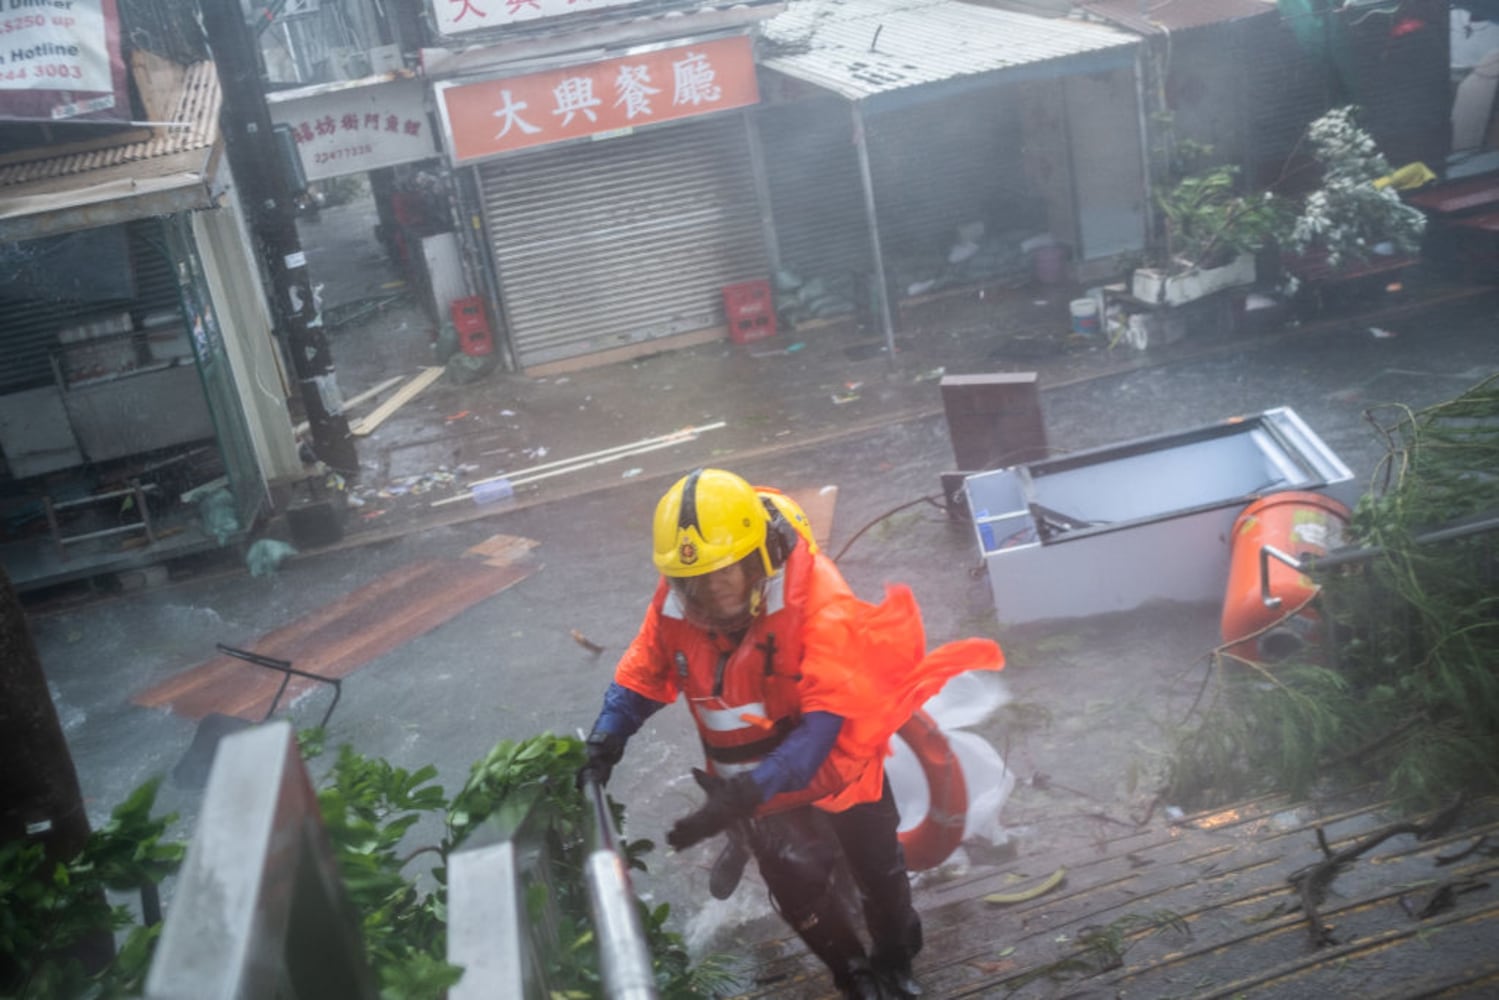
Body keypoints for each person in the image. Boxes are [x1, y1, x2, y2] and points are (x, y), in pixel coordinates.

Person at [577, 468, 1003, 999]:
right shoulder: (677, 596)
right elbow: (642, 674)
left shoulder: (818, 599)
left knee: (882, 879)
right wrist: (605, 740)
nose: (708, 593)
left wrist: (737, 799)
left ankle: (895, 963)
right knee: (798, 892)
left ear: (756, 557)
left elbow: (822, 728)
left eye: (722, 574)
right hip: (752, 789)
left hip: (836, 774)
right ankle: (853, 975)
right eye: (695, 580)